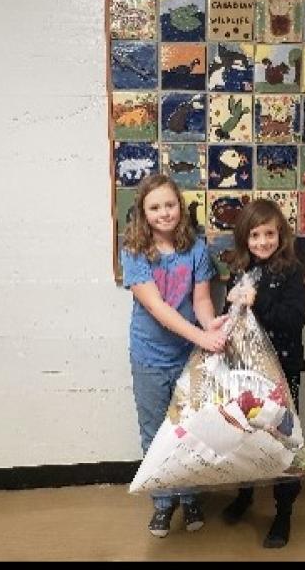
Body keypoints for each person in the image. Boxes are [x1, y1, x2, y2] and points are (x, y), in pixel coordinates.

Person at [121, 174, 227, 538]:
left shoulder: (195, 247)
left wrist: (213, 326)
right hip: (149, 357)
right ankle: (163, 503)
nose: (164, 213)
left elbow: (200, 300)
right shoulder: (133, 250)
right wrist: (202, 336)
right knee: (155, 432)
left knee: (191, 428)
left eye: (170, 205)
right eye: (155, 207)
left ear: (180, 207)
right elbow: (158, 308)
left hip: (187, 356)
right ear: (143, 212)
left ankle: (190, 495)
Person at [222, 198, 305, 548]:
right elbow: (232, 317)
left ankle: (283, 512)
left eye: (268, 234)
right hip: (245, 371)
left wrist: (259, 301)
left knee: (281, 442)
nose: (261, 242)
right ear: (245, 238)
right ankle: (245, 496)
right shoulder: (239, 269)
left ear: (280, 234)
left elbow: (294, 319)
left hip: (282, 371)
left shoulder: (290, 272)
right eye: (254, 235)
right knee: (243, 437)